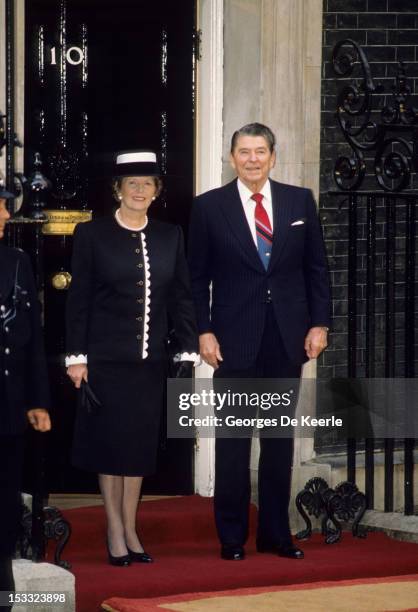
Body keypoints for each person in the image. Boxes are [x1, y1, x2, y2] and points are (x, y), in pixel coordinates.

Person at [188, 123, 331, 561]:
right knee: (232, 442)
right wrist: (203, 330)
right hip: (233, 340)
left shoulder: (298, 201)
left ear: (273, 156)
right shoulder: (209, 207)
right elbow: (195, 279)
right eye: (244, 151)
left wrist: (319, 324)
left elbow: (317, 270)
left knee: (278, 440)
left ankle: (275, 535)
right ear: (232, 158)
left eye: (261, 151)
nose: (252, 159)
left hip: (287, 338)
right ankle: (232, 538)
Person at [66, 151, 198, 566]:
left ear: (157, 191)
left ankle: (131, 527)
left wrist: (188, 347)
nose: (139, 190)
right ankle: (113, 530)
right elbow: (79, 300)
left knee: (138, 449)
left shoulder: (170, 235)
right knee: (111, 448)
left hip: (148, 363)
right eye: (131, 184)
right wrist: (76, 357)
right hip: (105, 361)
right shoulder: (92, 235)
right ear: (118, 190)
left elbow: (180, 296)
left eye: (147, 184)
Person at [0, 187, 51, 609]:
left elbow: (33, 339)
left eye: (4, 207)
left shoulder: (18, 262)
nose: (4, 215)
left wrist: (37, 400)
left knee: (4, 506)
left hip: (9, 406)